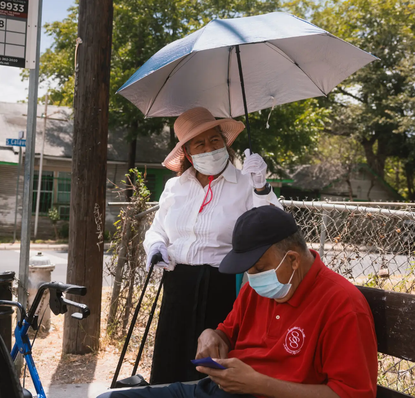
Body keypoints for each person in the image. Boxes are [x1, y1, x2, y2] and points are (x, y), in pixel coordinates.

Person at [99, 206, 378, 398]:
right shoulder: (260, 289)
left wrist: (260, 384)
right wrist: (212, 334)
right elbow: (226, 332)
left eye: (257, 268)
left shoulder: (342, 306)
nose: (251, 278)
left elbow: (353, 394)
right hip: (220, 391)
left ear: (292, 259)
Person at [143, 107, 281, 384]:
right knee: (172, 360)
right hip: (178, 285)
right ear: (189, 154)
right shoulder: (175, 187)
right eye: (200, 143)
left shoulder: (246, 183)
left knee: (215, 367)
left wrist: (262, 189)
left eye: (215, 140)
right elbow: (157, 229)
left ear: (225, 143)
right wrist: (156, 246)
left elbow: (271, 226)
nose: (209, 148)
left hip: (223, 285)